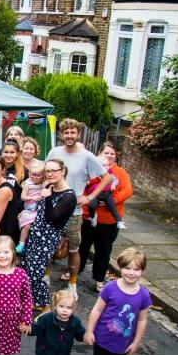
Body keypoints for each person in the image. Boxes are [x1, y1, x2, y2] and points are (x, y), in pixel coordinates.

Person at [83, 247, 151, 355]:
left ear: (142, 271)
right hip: (102, 338)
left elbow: (142, 320)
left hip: (123, 343)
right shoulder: (110, 288)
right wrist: (90, 331)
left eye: (136, 269)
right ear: (120, 267)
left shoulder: (144, 295)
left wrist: (136, 342)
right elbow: (97, 310)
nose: (131, 273)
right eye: (127, 268)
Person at [47, 119, 109, 299]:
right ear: (61, 134)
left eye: (72, 132)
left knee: (74, 249)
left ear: (78, 134)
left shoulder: (87, 156)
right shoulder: (54, 152)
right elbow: (47, 173)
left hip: (74, 213)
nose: (69, 136)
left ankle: (72, 283)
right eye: (66, 132)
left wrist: (89, 197)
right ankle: (46, 277)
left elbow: (106, 178)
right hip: (53, 209)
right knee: (49, 245)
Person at [21, 159, 77, 310]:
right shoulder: (49, 187)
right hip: (35, 235)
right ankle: (34, 302)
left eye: (54, 170)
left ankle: (46, 306)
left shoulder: (69, 196)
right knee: (27, 269)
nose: (50, 174)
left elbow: (53, 218)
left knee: (36, 273)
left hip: (47, 240)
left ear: (63, 171)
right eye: (47, 171)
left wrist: (47, 197)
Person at [79, 143, 133, 292]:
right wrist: (90, 199)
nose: (109, 156)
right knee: (82, 247)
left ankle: (99, 279)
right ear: (99, 154)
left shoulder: (120, 172)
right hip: (88, 218)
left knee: (103, 251)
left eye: (112, 154)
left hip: (109, 220)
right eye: (106, 153)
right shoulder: (91, 169)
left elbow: (128, 190)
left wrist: (111, 202)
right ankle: (75, 273)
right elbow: (81, 187)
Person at [23, 289, 85, 355]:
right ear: (55, 306)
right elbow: (37, 329)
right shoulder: (46, 319)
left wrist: (86, 337)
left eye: (69, 308)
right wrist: (29, 329)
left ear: (73, 309)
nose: (65, 310)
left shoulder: (75, 322)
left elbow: (80, 334)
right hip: (44, 351)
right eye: (62, 306)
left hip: (61, 353)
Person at [85, 153, 126, 229]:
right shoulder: (93, 173)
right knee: (91, 205)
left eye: (107, 166)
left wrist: (113, 185)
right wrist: (86, 180)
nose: (106, 168)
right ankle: (93, 216)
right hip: (96, 194)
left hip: (106, 193)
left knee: (112, 206)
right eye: (103, 166)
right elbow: (86, 177)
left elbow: (115, 180)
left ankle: (119, 221)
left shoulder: (108, 173)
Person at [16, 161, 46, 254]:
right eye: (33, 175)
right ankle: (21, 244)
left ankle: (36, 246)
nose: (35, 177)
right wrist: (32, 198)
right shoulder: (28, 184)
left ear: (43, 175)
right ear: (29, 174)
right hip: (29, 210)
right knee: (27, 226)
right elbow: (22, 197)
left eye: (38, 175)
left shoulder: (44, 184)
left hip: (39, 211)